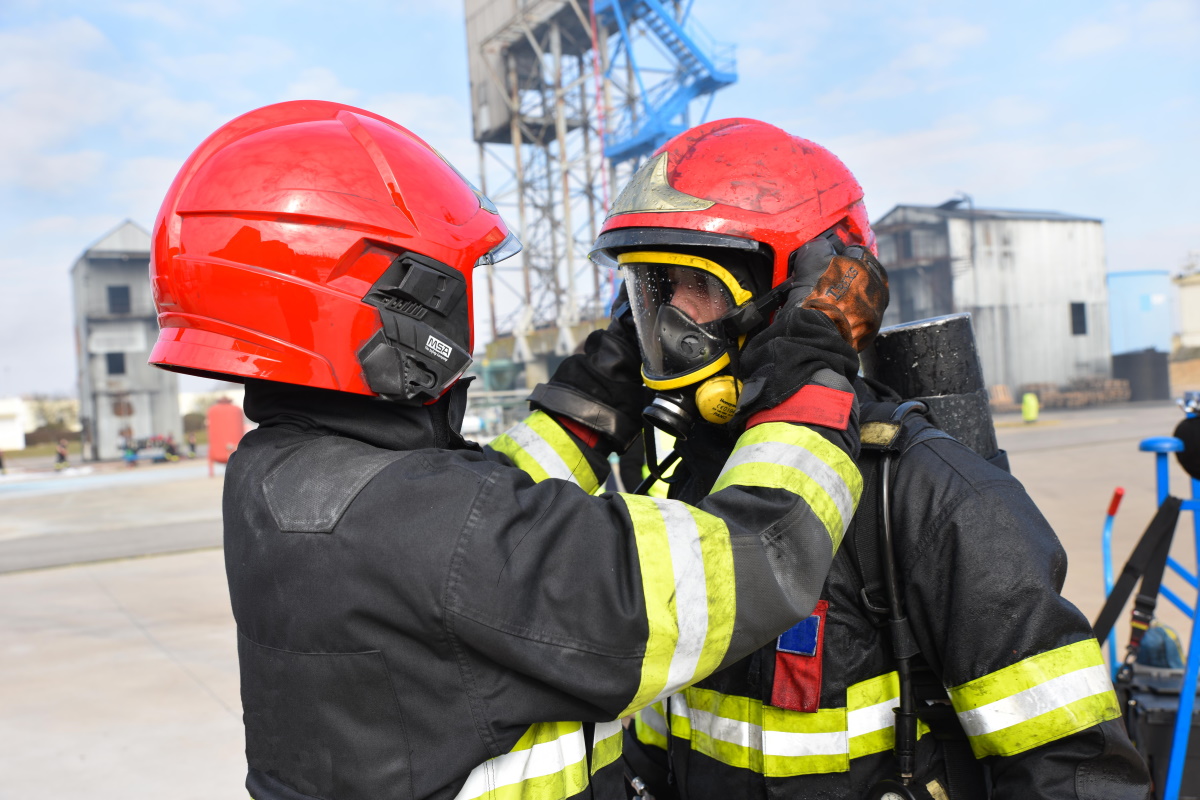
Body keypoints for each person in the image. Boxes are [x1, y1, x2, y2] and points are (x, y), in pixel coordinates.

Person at [146, 101, 886, 800]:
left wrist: (601, 390)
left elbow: (480, 508)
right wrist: (815, 378)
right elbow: (759, 558)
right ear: (401, 303)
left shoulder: (281, 476)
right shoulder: (436, 534)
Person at [591, 119, 1150, 800]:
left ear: (800, 295)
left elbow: (1074, 777)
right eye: (653, 290)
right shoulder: (691, 489)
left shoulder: (931, 498)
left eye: (695, 285)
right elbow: (659, 741)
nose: (671, 322)